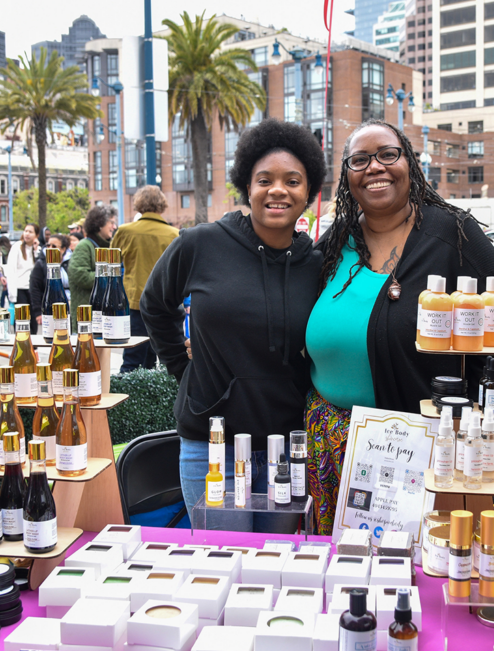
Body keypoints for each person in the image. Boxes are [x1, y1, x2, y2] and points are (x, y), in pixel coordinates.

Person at [304, 119, 494, 534]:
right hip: (328, 440)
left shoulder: (451, 234)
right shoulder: (335, 244)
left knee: (418, 571)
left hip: (414, 447)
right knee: (340, 575)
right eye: (360, 160)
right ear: (347, 176)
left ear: (409, 163)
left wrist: (467, 420)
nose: (375, 168)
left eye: (388, 154)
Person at [141, 118, 328, 532]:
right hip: (213, 445)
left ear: (309, 192)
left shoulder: (316, 265)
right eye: (265, 180)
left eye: (293, 181)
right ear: (248, 186)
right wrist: (183, 370)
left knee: (277, 570)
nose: (278, 190)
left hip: (286, 447)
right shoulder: (200, 244)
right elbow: (155, 305)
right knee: (221, 562)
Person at [111, 185, 178, 372]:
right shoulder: (173, 234)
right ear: (162, 205)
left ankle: (128, 399)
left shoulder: (125, 231)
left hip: (134, 301)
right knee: (162, 359)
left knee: (132, 357)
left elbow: (111, 265)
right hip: (165, 303)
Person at [68, 205, 117, 314]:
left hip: (100, 312)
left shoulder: (106, 246)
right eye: (111, 223)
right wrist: (111, 275)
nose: (114, 227)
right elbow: (80, 275)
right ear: (100, 224)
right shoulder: (84, 246)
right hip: (86, 314)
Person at [29, 234, 71, 327]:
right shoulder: (41, 263)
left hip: (68, 306)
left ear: (63, 249)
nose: (50, 248)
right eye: (48, 245)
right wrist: (38, 312)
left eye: (54, 246)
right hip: (49, 305)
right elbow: (34, 288)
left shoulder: (70, 262)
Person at [5, 224, 40, 330]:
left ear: (36, 235)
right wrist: (12, 293)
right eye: (26, 231)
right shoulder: (17, 247)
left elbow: (39, 267)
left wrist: (36, 249)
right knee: (22, 319)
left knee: (33, 318)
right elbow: (11, 270)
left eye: (30, 232)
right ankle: (20, 341)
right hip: (20, 288)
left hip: (33, 289)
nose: (27, 234)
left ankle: (33, 344)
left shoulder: (38, 249)